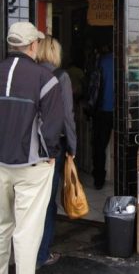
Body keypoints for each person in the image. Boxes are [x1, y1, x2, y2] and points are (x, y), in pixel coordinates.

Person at [0, 22, 64, 274]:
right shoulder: (45, 79)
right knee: (27, 233)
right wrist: (51, 153)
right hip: (32, 166)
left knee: (1, 227)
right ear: (33, 45)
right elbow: (53, 123)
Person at [35, 36, 78, 269]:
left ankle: (26, 251)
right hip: (52, 148)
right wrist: (73, 147)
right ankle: (41, 254)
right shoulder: (61, 77)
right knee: (48, 202)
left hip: (26, 148)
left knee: (29, 202)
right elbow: (67, 116)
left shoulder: (30, 74)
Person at [92, 44, 113, 190]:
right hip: (122, 111)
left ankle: (99, 178)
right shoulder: (126, 60)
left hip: (103, 109)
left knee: (99, 145)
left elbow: (94, 86)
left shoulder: (102, 61)